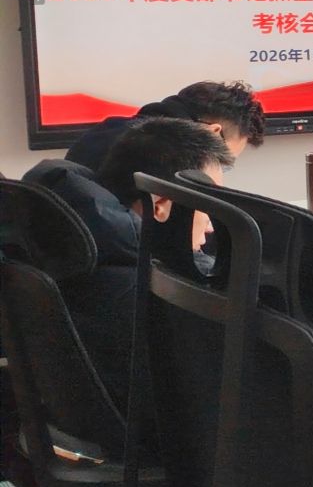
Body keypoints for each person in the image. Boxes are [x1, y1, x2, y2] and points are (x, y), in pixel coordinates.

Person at [22, 118, 232, 407]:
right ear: (160, 206)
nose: (209, 227)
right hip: (159, 431)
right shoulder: (164, 294)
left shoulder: (81, 251)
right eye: (208, 207)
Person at [64, 79, 266, 171]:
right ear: (212, 133)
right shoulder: (171, 161)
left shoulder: (106, 130)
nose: (219, 173)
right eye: (222, 164)